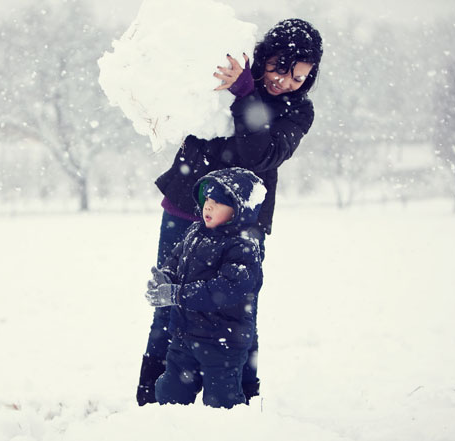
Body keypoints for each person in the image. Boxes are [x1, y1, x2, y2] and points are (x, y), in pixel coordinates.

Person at [137, 18, 323, 406]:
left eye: (299, 77)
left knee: (238, 310)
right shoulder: (224, 72)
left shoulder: (297, 112)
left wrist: (245, 94)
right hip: (188, 205)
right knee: (168, 302)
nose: (285, 82)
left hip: (244, 222)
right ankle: (152, 406)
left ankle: (240, 404)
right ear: (263, 56)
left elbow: (262, 154)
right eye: (278, 68)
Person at [146, 167, 266, 408]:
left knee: (222, 404)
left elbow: (223, 290)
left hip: (223, 343)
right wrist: (166, 278)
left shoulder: (243, 247)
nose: (208, 207)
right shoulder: (195, 232)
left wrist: (177, 294)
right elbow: (175, 260)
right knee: (171, 395)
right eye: (207, 200)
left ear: (238, 209)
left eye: (218, 202)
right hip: (185, 337)